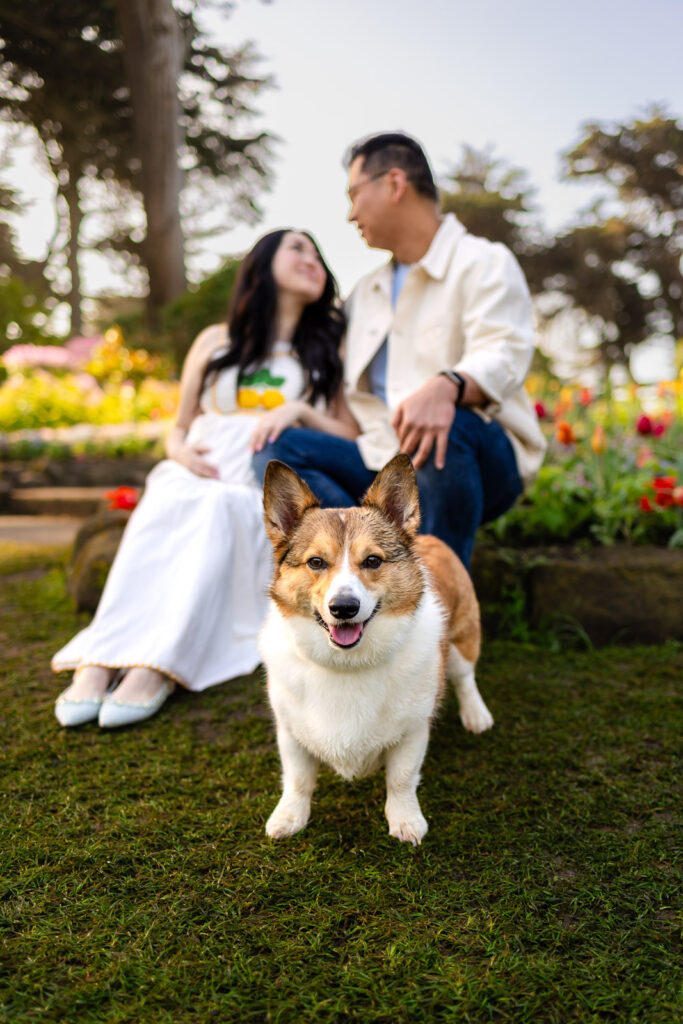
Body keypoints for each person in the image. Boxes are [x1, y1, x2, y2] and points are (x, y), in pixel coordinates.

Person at [53, 229, 358, 729]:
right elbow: (178, 426)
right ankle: (102, 656)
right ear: (261, 265)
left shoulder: (326, 351)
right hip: (199, 465)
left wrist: (301, 410)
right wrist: (181, 454)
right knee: (170, 491)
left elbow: (349, 432)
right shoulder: (216, 341)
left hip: (254, 481)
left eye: (318, 253)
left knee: (218, 508)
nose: (313, 259)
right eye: (297, 248)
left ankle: (159, 666)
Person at [252, 132, 546, 570]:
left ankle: (437, 606)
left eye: (354, 194)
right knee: (279, 449)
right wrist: (296, 409)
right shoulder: (364, 293)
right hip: (380, 460)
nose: (350, 214)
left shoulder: (483, 261)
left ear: (393, 184)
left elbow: (504, 350)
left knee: (441, 428)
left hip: (478, 458)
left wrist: (448, 386)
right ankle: (370, 559)